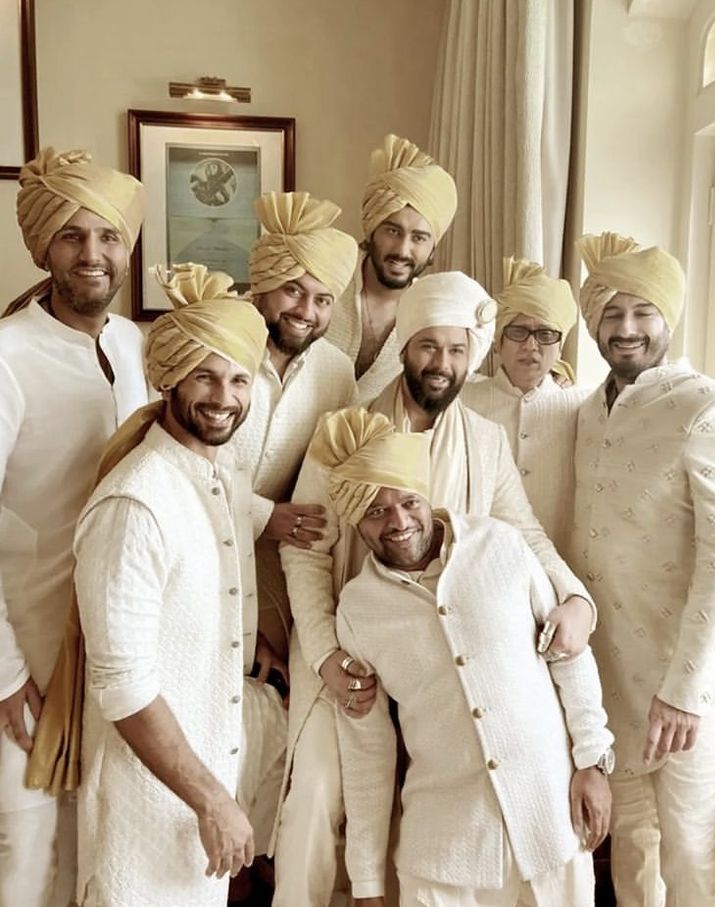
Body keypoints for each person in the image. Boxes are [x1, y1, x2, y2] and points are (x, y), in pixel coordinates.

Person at [275, 271, 597, 906]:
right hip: (358, 635)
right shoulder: (344, 431)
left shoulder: (483, 439)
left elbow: (521, 530)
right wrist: (325, 656)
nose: (442, 364)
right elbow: (305, 552)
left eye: (456, 350)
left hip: (462, 641)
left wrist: (576, 598)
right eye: (428, 347)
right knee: (315, 793)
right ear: (404, 345)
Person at [309, 407, 614, 906]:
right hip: (444, 860)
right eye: (376, 511)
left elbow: (569, 655)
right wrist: (365, 881)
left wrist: (594, 763)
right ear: (355, 521)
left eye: (409, 501)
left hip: (553, 826)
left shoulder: (501, 546)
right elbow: (368, 750)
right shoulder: (358, 610)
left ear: (426, 495)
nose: (399, 522)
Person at [72, 264, 271, 906]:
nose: (223, 396)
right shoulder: (135, 502)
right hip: (144, 816)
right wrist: (212, 799)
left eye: (239, 379)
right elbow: (122, 684)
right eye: (204, 375)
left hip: (196, 820)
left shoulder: (215, 478)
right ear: (168, 378)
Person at [570, 231, 715, 906]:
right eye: (611, 313)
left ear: (668, 318)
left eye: (642, 312)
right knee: (631, 853)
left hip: (682, 688)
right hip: (608, 681)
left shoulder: (706, 407)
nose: (626, 329)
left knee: (691, 856)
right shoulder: (585, 410)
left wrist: (684, 688)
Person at [0, 146, 146, 907]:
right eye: (72, 236)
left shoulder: (132, 347)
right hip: (21, 653)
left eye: (108, 236)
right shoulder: (7, 355)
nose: (93, 253)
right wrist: (5, 674)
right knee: (23, 854)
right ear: (43, 247)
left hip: (110, 647)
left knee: (95, 844)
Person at [227, 191, 358, 664]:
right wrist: (264, 514)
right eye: (293, 290)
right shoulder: (216, 344)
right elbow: (173, 459)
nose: (306, 310)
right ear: (260, 286)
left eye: (323, 299)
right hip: (192, 545)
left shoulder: (336, 372)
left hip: (274, 569)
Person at [463, 257, 590, 556]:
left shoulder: (581, 405)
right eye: (518, 332)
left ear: (560, 346)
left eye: (545, 334)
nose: (531, 346)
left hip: (557, 564)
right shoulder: (463, 399)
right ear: (497, 342)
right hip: (477, 559)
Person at [326, 134, 457, 403]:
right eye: (393, 230)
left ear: (433, 248)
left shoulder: (433, 311)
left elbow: (461, 366)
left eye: (419, 237)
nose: (402, 249)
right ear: (372, 229)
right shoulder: (326, 279)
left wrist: (546, 376)